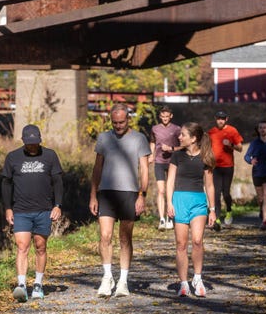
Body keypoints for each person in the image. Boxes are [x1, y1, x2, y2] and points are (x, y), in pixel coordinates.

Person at [89, 103, 151, 297]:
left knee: (125, 238)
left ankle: (123, 280)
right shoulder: (104, 138)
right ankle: (107, 276)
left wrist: (142, 195)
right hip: (106, 192)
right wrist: (93, 194)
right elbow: (97, 167)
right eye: (115, 122)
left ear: (128, 119)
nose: (118, 126)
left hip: (129, 193)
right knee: (105, 236)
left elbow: (145, 169)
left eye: (122, 122)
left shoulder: (139, 139)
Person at [2, 124, 63, 302]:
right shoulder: (13, 157)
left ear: (39, 140)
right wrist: (7, 208)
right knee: (22, 247)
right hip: (20, 210)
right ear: (23, 141)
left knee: (40, 247)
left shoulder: (50, 156)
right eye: (29, 143)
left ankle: (38, 284)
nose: (32, 146)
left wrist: (57, 205)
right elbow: (6, 184)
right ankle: (21, 285)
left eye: (35, 143)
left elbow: (58, 181)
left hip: (44, 210)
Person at [166, 122, 216, 297]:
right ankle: (183, 284)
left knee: (197, 241)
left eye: (183, 135)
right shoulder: (177, 157)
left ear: (193, 138)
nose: (179, 137)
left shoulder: (206, 157)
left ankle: (197, 278)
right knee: (181, 244)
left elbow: (209, 186)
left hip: (198, 202)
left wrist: (213, 209)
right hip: (179, 200)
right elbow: (170, 181)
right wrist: (169, 203)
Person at [207, 110, 243, 229]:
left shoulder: (232, 131)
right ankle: (217, 218)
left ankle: (228, 210)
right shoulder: (211, 132)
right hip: (215, 167)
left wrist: (230, 145)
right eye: (218, 118)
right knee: (216, 193)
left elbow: (240, 148)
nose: (220, 120)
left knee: (225, 193)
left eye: (222, 118)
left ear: (226, 119)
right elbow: (206, 147)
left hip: (228, 166)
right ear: (215, 119)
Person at [149, 105, 182, 231]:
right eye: (162, 117)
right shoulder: (155, 129)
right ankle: (162, 219)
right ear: (160, 116)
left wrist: (171, 149)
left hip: (173, 162)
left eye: (167, 117)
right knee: (161, 191)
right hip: (159, 162)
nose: (165, 119)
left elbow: (182, 145)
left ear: (171, 116)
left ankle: (170, 217)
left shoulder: (177, 129)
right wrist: (151, 155)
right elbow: (152, 142)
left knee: (171, 191)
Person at [244, 121, 266, 230]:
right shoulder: (254, 143)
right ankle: (261, 208)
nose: (262, 129)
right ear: (258, 130)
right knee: (261, 198)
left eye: (264, 127)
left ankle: (265, 221)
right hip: (257, 173)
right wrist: (251, 161)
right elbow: (246, 156)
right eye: (260, 128)